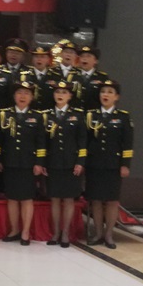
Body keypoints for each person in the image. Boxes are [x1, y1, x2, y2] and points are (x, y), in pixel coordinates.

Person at [85, 80, 133, 249]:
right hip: (94, 164)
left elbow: (127, 143)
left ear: (116, 97)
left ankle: (109, 234)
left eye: (110, 92)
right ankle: (98, 232)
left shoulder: (122, 117)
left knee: (112, 201)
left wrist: (125, 164)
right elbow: (86, 140)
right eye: (103, 91)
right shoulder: (91, 116)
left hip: (113, 164)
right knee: (96, 200)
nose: (105, 95)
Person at [0, 81, 46, 245]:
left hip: (28, 163)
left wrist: (39, 162)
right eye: (19, 93)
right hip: (10, 161)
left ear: (32, 97)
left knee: (26, 198)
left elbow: (41, 142)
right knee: (12, 198)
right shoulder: (5, 114)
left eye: (26, 93)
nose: (22, 96)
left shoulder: (37, 116)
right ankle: (14, 230)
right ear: (14, 96)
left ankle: (25, 231)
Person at [43, 81, 87, 248]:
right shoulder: (46, 115)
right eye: (57, 92)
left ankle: (66, 233)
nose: (60, 95)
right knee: (54, 199)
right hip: (53, 162)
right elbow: (43, 142)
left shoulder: (77, 115)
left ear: (70, 96)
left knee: (68, 199)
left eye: (64, 92)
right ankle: (55, 232)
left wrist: (80, 162)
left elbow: (82, 141)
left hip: (71, 163)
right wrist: (43, 162)